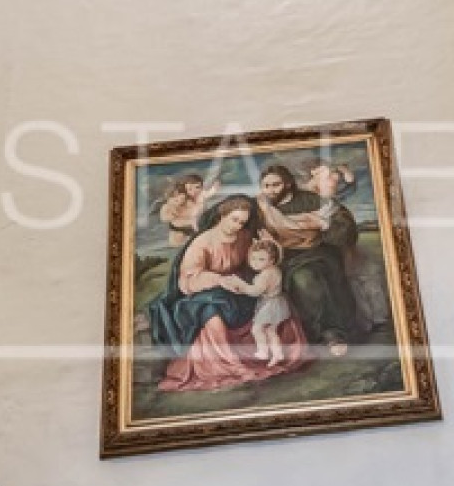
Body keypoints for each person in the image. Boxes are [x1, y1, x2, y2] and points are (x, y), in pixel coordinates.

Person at [148, 197, 307, 391]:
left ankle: (274, 353)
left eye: (242, 222)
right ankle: (228, 363)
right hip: (204, 292)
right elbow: (188, 279)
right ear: (222, 216)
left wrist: (267, 248)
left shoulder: (244, 236)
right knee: (211, 312)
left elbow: (256, 260)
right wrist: (219, 280)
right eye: (234, 220)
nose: (237, 226)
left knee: (274, 302)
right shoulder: (202, 242)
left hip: (237, 287)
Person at [257, 163, 370, 357]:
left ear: (288, 184)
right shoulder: (261, 207)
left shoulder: (312, 201)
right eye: (266, 186)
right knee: (293, 279)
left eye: (276, 185)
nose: (270, 190)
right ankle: (307, 335)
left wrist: (324, 224)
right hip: (285, 257)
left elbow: (344, 225)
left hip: (318, 253)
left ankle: (332, 333)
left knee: (306, 278)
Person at [244, 237, 298, 365]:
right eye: (253, 258)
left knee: (257, 329)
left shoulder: (266, 274)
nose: (256, 263)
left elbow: (255, 291)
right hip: (276, 302)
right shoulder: (273, 270)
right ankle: (278, 354)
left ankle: (263, 351)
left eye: (261, 259)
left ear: (272, 260)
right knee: (270, 331)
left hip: (270, 305)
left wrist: (240, 286)